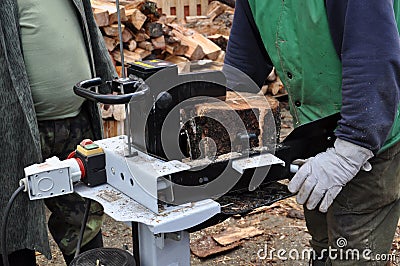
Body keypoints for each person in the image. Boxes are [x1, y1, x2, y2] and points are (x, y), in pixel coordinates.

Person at [224, 0, 400, 265]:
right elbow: (243, 61)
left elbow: (372, 56)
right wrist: (219, 115)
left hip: (372, 129)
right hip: (314, 127)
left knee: (356, 249)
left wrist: (351, 148)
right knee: (322, 234)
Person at [0, 0, 117, 265]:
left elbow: (88, 28)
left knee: (82, 215)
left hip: (77, 122)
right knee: (14, 223)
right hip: (17, 131)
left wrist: (108, 77)